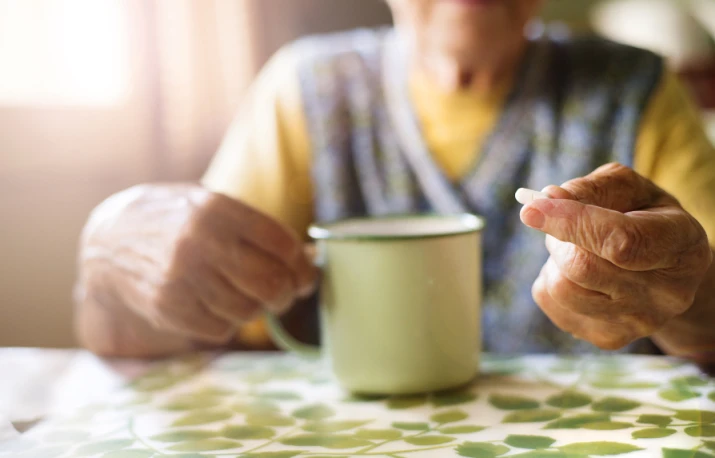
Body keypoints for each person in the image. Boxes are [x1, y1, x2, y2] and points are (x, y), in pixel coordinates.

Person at [75, 0, 715, 363]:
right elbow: (162, 328)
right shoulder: (305, 92)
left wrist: (690, 298)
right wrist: (109, 270)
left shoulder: (638, 90)